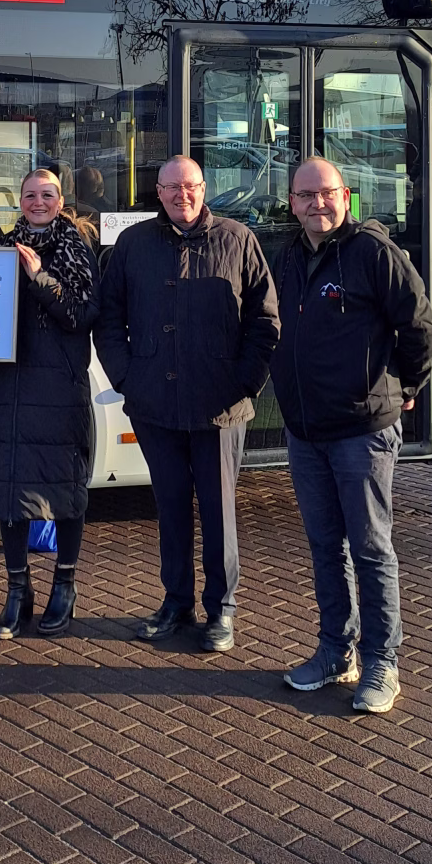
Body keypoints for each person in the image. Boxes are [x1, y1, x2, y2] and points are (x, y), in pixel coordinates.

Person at [270, 157, 432, 713]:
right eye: (305, 196)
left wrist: (407, 385)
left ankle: (382, 661)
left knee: (370, 548)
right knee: (324, 546)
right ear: (291, 202)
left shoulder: (372, 253)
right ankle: (335, 651)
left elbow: (419, 327)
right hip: (306, 431)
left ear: (346, 196)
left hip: (360, 432)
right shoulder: (291, 255)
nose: (316, 204)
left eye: (326, 194)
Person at [95, 154, 279, 652]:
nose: (183, 196)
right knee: (170, 507)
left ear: (205, 188)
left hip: (221, 405)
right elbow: (107, 318)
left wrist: (245, 384)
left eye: (192, 186)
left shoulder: (238, 240)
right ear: (158, 192)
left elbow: (266, 321)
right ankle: (176, 601)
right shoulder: (133, 244)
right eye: (172, 187)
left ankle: (221, 610)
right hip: (154, 402)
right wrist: (128, 377)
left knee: (219, 512)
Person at [0, 168, 101, 638]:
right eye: (30, 195)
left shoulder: (75, 247)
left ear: (61, 199)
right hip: (8, 385)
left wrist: (38, 276)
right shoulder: (1, 248)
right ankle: (17, 590)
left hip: (58, 385)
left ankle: (64, 586)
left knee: (64, 490)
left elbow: (81, 315)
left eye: (46, 195)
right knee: (9, 489)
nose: (37, 202)